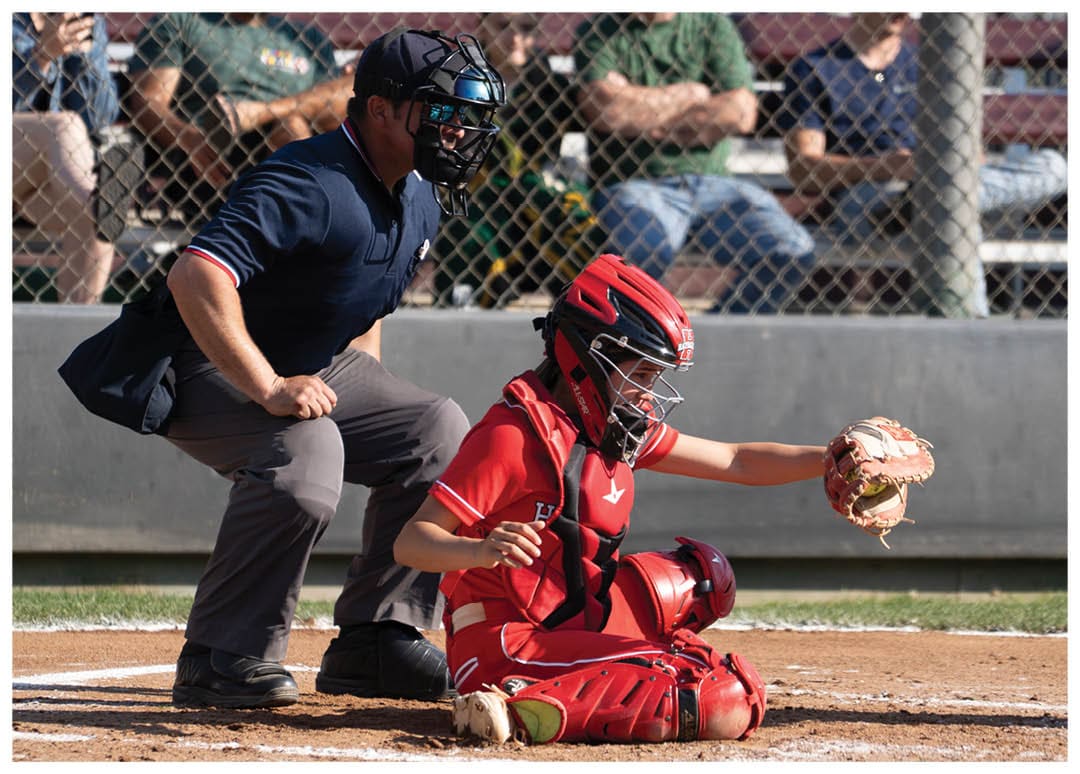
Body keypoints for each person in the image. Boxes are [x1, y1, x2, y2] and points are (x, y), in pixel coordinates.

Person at [157, 28, 505, 709]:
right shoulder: (307, 177)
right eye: (440, 109)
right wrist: (267, 385)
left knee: (434, 428)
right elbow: (195, 277)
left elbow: (361, 289)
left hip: (306, 361)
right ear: (379, 110)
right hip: (200, 362)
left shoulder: (418, 187)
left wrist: (360, 396)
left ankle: (377, 640)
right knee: (305, 452)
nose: (459, 129)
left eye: (466, 114)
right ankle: (221, 654)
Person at [393, 253, 829, 744]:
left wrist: (832, 458)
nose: (648, 394)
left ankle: (556, 687)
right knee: (722, 697)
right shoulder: (512, 437)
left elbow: (736, 460)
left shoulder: (613, 429)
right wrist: (478, 550)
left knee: (705, 580)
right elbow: (411, 542)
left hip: (569, 622)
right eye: (639, 375)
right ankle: (517, 712)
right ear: (586, 359)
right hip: (503, 643)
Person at [780, 12, 1069, 317]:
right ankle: (968, 318)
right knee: (957, 212)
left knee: (1055, 167)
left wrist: (955, 165)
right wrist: (885, 167)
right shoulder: (814, 68)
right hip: (868, 195)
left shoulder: (932, 64)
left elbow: (974, 154)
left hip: (944, 181)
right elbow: (804, 170)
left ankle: (933, 202)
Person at [573, 13, 816, 314]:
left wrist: (641, 110)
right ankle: (636, 347)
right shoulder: (602, 29)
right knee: (639, 258)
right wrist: (693, 95)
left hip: (715, 182)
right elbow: (607, 111)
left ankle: (719, 335)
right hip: (635, 183)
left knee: (792, 250)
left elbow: (740, 113)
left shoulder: (711, 24)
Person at [431, 12, 605, 309]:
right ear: (482, 26)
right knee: (469, 230)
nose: (515, 38)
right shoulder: (457, 78)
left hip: (535, 190)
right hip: (476, 189)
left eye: (525, 28)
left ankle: (587, 310)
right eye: (503, 26)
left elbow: (593, 123)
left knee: (576, 219)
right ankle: (463, 307)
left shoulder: (550, 85)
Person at [126, 13, 353, 226]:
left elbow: (336, 112)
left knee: (298, 119)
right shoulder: (181, 21)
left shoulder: (307, 38)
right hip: (210, 156)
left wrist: (262, 112)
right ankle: (300, 229)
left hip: (291, 149)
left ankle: (254, 114)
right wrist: (188, 138)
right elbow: (148, 101)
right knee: (293, 123)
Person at [13, 12, 123, 303]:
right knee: (65, 126)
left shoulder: (87, 20)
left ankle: (80, 340)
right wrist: (42, 56)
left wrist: (83, 59)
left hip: (43, 179)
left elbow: (100, 117)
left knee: (89, 217)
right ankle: (98, 199)